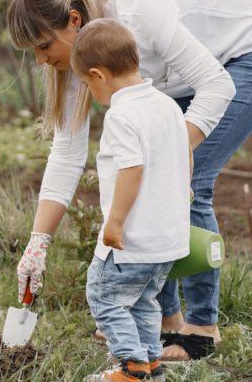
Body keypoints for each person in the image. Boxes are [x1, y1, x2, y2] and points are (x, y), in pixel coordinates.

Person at [8, 0, 252, 362]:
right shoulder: (87, 51)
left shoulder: (141, 12)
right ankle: (164, 318)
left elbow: (217, 85)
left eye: (43, 46)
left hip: (251, 56)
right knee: (150, 177)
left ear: (73, 21)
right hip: (186, 79)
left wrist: (171, 154)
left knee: (185, 176)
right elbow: (67, 153)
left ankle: (201, 331)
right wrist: (38, 242)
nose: (42, 60)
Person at [70, 19, 190, 382]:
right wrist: (183, 192)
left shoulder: (122, 114)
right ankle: (152, 364)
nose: (91, 92)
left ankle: (131, 367)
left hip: (132, 242)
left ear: (98, 75)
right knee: (144, 302)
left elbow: (131, 169)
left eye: (88, 84)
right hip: (166, 242)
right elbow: (185, 153)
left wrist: (116, 222)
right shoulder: (167, 105)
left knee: (104, 297)